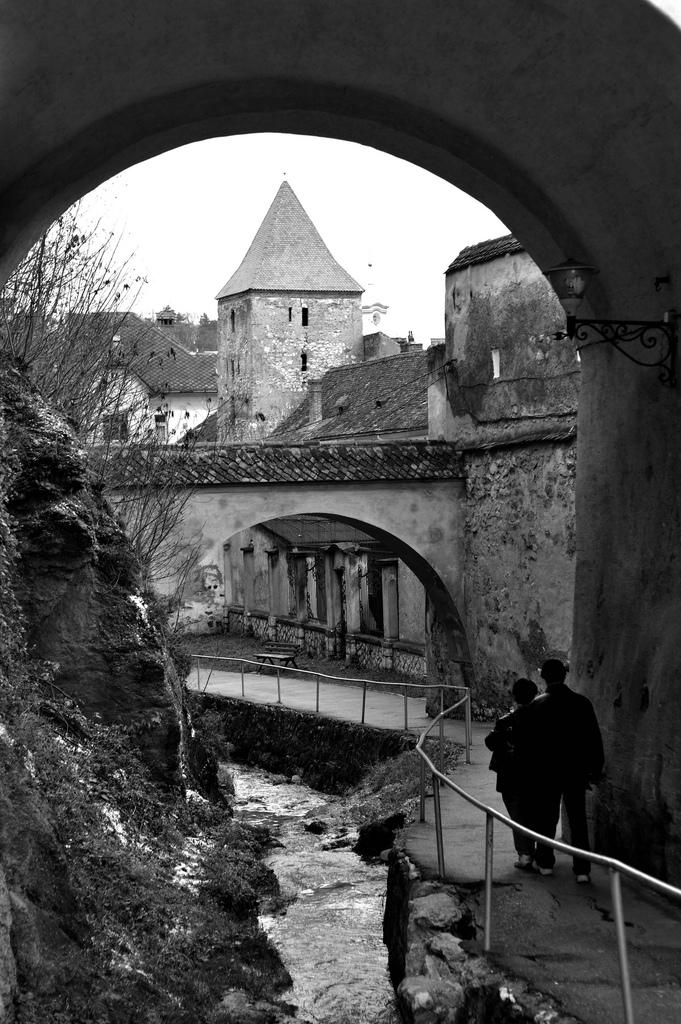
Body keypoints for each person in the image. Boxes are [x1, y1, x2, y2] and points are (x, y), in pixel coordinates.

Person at [514, 658, 604, 882]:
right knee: (578, 820)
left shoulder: (536, 705)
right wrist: (595, 769)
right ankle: (582, 869)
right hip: (575, 770)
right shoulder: (582, 703)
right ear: (565, 676)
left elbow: (527, 745)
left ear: (544, 677)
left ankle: (545, 862)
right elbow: (594, 738)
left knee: (547, 817)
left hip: (547, 772)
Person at [484, 677, 538, 870]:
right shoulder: (540, 717)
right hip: (535, 773)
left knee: (517, 814)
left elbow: (490, 743)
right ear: (535, 695)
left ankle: (525, 854)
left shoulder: (506, 720)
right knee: (534, 812)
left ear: (515, 696)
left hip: (510, 774)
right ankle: (537, 852)